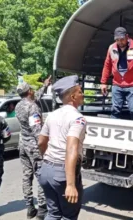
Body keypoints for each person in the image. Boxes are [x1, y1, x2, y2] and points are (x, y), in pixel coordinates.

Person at [38, 75, 86, 220]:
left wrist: (47, 160)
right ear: (73, 96)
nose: (82, 94)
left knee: (53, 213)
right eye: (80, 92)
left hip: (46, 171)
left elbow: (41, 142)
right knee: (68, 216)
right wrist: (71, 184)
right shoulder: (78, 119)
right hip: (62, 175)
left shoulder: (52, 115)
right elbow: (71, 149)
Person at [15, 76, 51, 219]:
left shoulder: (19, 105)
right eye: (32, 90)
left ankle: (30, 207)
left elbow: (36, 97)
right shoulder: (33, 107)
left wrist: (45, 85)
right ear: (29, 91)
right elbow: (37, 132)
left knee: (26, 176)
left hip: (23, 145)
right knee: (41, 176)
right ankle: (42, 210)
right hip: (34, 147)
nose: (34, 91)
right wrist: (45, 148)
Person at [100, 26, 133, 120]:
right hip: (117, 84)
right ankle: (113, 130)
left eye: (122, 39)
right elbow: (107, 65)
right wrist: (103, 82)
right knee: (115, 110)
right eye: (117, 40)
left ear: (127, 36)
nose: (120, 42)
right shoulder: (111, 48)